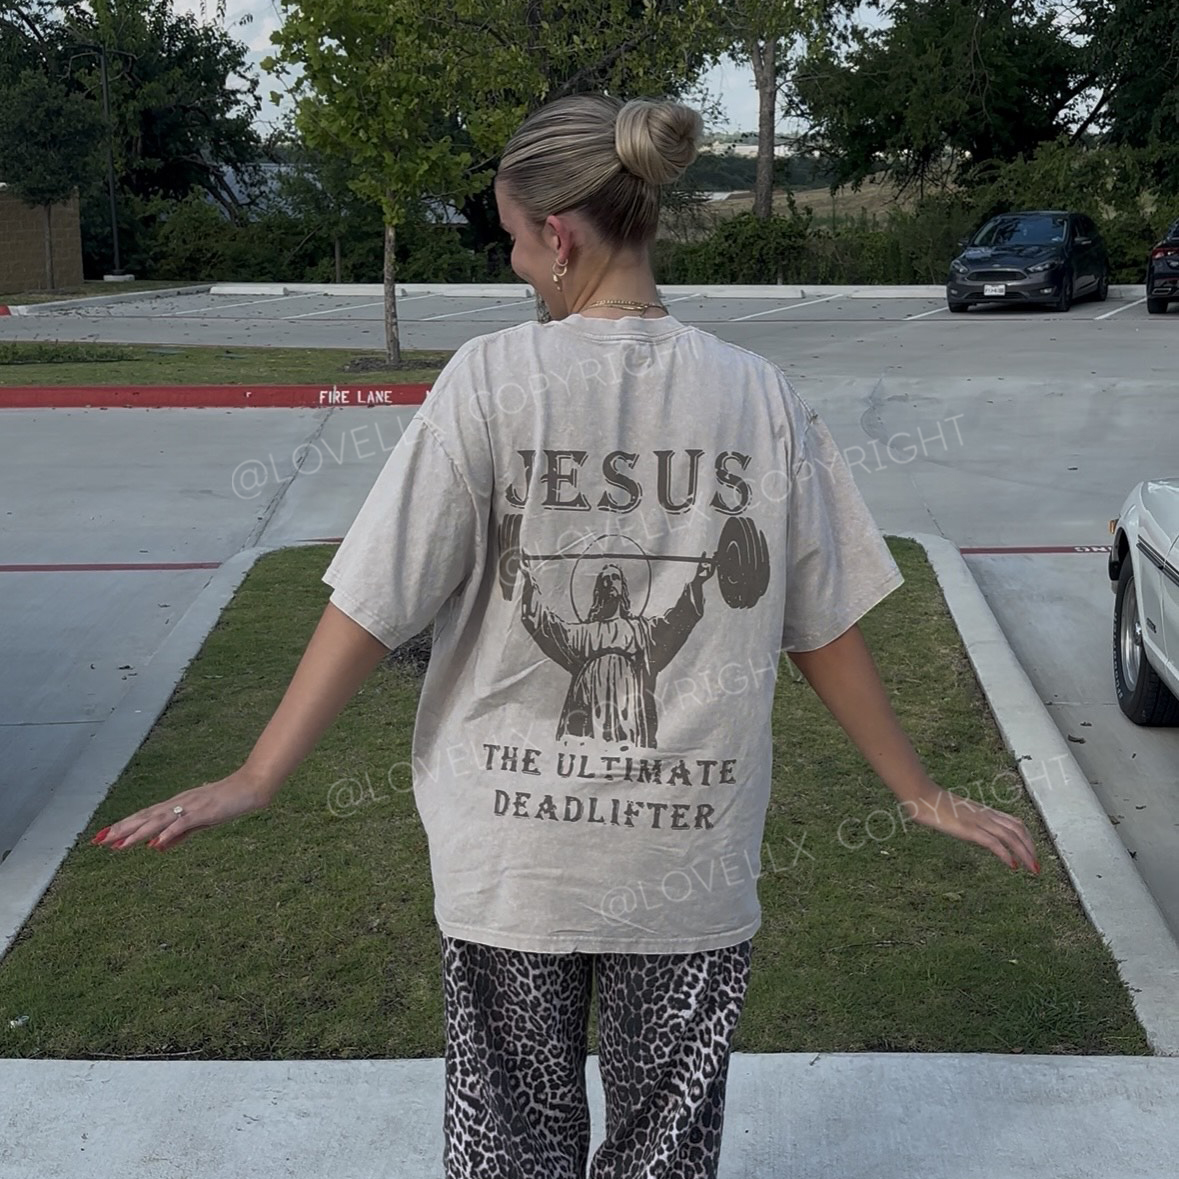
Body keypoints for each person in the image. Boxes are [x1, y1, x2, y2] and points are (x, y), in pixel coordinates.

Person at [93, 94, 1039, 1179]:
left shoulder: (488, 382)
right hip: (688, 855)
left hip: (513, 863)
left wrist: (260, 774)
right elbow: (818, 624)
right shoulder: (762, 397)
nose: (515, 267)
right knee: (662, 1156)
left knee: (508, 1149)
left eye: (510, 240)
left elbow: (376, 597)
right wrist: (918, 791)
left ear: (558, 235)